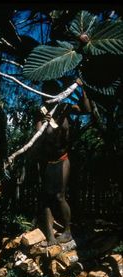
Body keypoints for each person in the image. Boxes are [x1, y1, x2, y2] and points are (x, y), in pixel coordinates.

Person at [35, 79, 91, 246]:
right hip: (47, 161)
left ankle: (67, 231)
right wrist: (44, 122)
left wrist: (83, 89)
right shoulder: (40, 112)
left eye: (51, 93)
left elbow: (86, 110)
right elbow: (38, 135)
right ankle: (50, 237)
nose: (47, 98)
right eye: (45, 94)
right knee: (46, 199)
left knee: (59, 196)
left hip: (62, 158)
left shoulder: (64, 108)